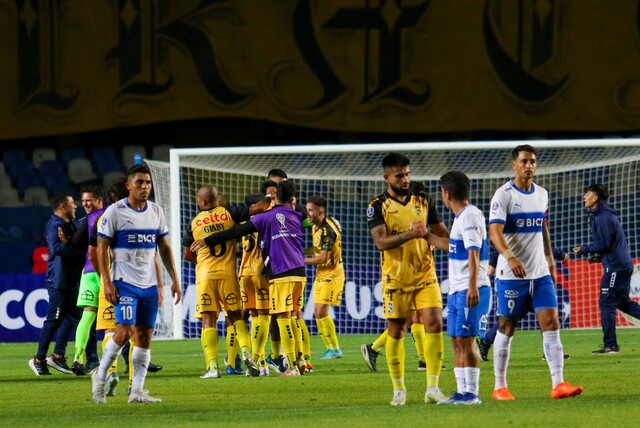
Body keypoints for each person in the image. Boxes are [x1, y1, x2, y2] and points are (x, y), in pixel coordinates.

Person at [489, 144, 583, 400]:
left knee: (551, 323)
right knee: (507, 327)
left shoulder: (542, 194)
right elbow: (494, 232)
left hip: (540, 274)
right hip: (512, 276)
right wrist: (509, 257)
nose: (529, 165)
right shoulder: (503, 195)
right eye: (524, 161)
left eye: (532, 161)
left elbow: (543, 228)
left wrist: (550, 261)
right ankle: (499, 387)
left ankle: (558, 384)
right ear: (514, 165)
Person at [193, 180, 307, 376]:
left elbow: (235, 231)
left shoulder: (259, 217)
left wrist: (207, 240)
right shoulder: (295, 214)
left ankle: (252, 362)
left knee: (252, 317)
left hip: (249, 272)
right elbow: (305, 213)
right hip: (286, 270)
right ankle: (298, 359)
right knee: (287, 315)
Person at [91, 163, 181, 404]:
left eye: (148, 182)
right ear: (129, 185)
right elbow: (101, 247)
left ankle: (137, 392)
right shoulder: (115, 212)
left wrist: (173, 280)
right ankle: (100, 375)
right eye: (140, 182)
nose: (145, 186)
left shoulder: (156, 211)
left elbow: (164, 248)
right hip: (124, 283)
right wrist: (106, 281)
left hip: (149, 285)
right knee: (124, 332)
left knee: (144, 336)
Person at [364, 153, 449, 406]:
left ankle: (432, 387)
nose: (405, 179)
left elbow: (444, 236)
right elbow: (380, 242)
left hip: (426, 275)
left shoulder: (424, 200)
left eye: (408, 174)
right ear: (386, 177)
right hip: (396, 279)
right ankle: (399, 390)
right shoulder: (377, 206)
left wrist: (434, 238)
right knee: (397, 330)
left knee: (434, 323)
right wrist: (410, 235)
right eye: (399, 175)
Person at [182, 184, 263, 379]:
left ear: (202, 202)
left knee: (208, 319)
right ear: (216, 199)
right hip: (228, 274)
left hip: (205, 276)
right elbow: (257, 208)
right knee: (236, 317)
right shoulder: (229, 214)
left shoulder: (194, 223)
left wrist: (203, 261)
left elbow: (187, 254)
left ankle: (212, 368)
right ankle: (246, 354)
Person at [424, 171, 490, 405]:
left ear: (447, 193)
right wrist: (425, 235)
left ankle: (472, 393)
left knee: (466, 340)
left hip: (470, 289)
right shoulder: (461, 217)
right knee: (456, 339)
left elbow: (473, 253)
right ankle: (461, 393)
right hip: (457, 289)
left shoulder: (470, 216)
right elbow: (453, 246)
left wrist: (472, 287)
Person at [573, 184, 640, 354]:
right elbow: (610, 245)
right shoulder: (604, 215)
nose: (584, 197)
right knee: (622, 302)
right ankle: (610, 344)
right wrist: (600, 257)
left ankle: (611, 345)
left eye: (586, 194)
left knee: (606, 302)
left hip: (616, 267)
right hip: (620, 264)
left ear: (595, 198)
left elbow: (605, 244)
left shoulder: (602, 217)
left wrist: (584, 249)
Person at [476, 246, 570, 362]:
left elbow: (540, 244)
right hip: (517, 281)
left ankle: (549, 351)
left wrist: (559, 254)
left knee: (546, 316)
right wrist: (561, 254)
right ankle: (486, 342)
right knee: (510, 319)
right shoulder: (512, 238)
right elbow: (503, 243)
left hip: (534, 279)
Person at [28, 192, 84, 376]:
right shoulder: (55, 225)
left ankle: (58, 355)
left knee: (74, 317)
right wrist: (79, 250)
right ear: (62, 206)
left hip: (71, 279)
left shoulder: (69, 224)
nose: (75, 206)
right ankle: (38, 359)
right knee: (53, 320)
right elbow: (56, 248)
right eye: (72, 203)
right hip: (59, 281)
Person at [305, 196, 345, 361]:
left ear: (320, 211)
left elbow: (323, 258)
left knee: (322, 311)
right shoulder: (316, 226)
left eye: (310, 210)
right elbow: (317, 249)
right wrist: (303, 252)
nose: (307, 213)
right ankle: (330, 348)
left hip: (332, 275)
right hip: (321, 275)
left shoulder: (327, 231)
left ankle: (335, 349)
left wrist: (299, 259)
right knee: (317, 312)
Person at [70, 186, 104, 375]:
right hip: (109, 272)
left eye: (88, 200)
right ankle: (134, 359)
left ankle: (78, 358)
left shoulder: (90, 218)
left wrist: (67, 239)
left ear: (99, 200)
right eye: (83, 201)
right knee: (122, 319)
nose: (85, 204)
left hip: (90, 271)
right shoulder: (114, 214)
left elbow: (76, 241)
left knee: (88, 315)